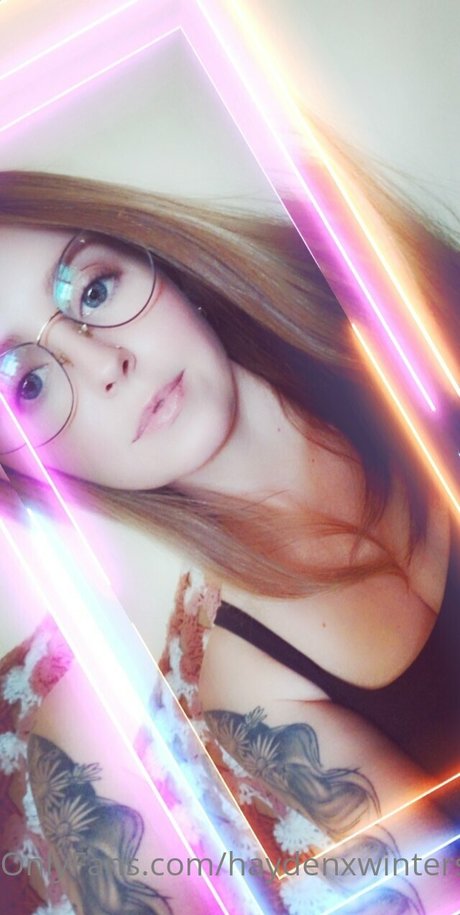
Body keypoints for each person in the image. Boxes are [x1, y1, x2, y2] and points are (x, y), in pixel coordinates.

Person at [0, 165, 459, 915]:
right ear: (23, 472)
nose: (106, 363)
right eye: (28, 384)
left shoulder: (382, 298)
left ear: (148, 253)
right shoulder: (248, 683)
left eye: (93, 291)